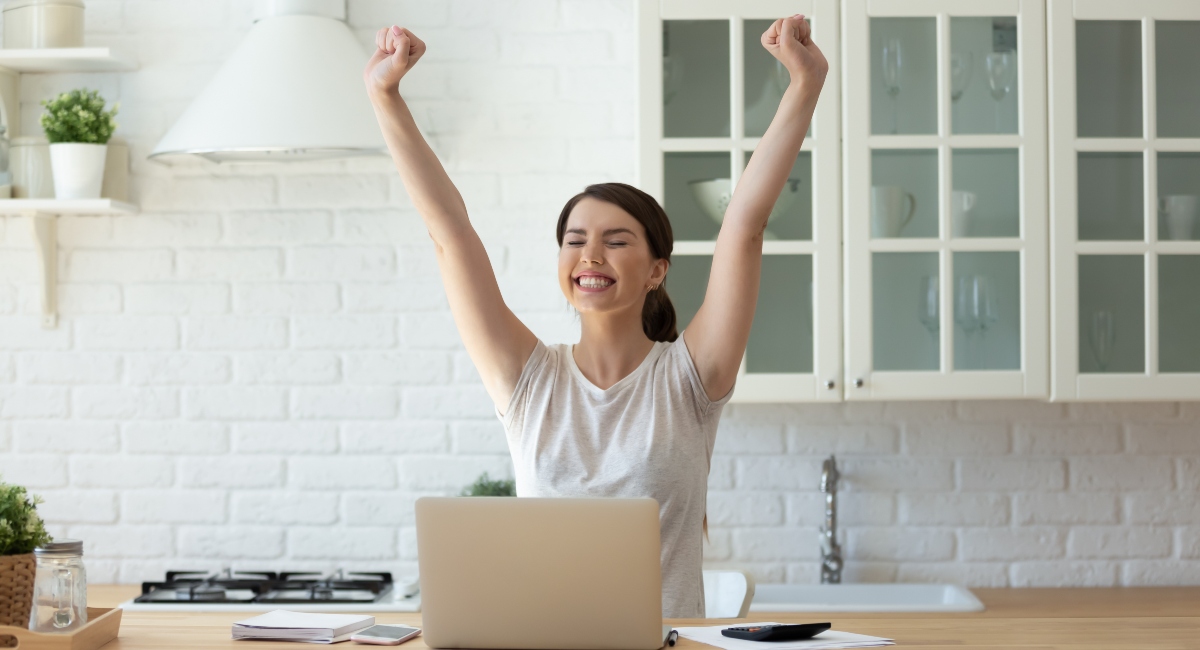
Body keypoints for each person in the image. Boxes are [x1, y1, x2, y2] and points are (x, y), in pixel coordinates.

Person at [364, 15, 827, 618]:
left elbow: (743, 226)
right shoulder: (528, 381)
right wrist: (385, 94)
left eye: (615, 240)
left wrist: (804, 83)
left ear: (657, 269)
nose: (588, 254)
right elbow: (450, 234)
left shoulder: (690, 379)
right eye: (575, 238)